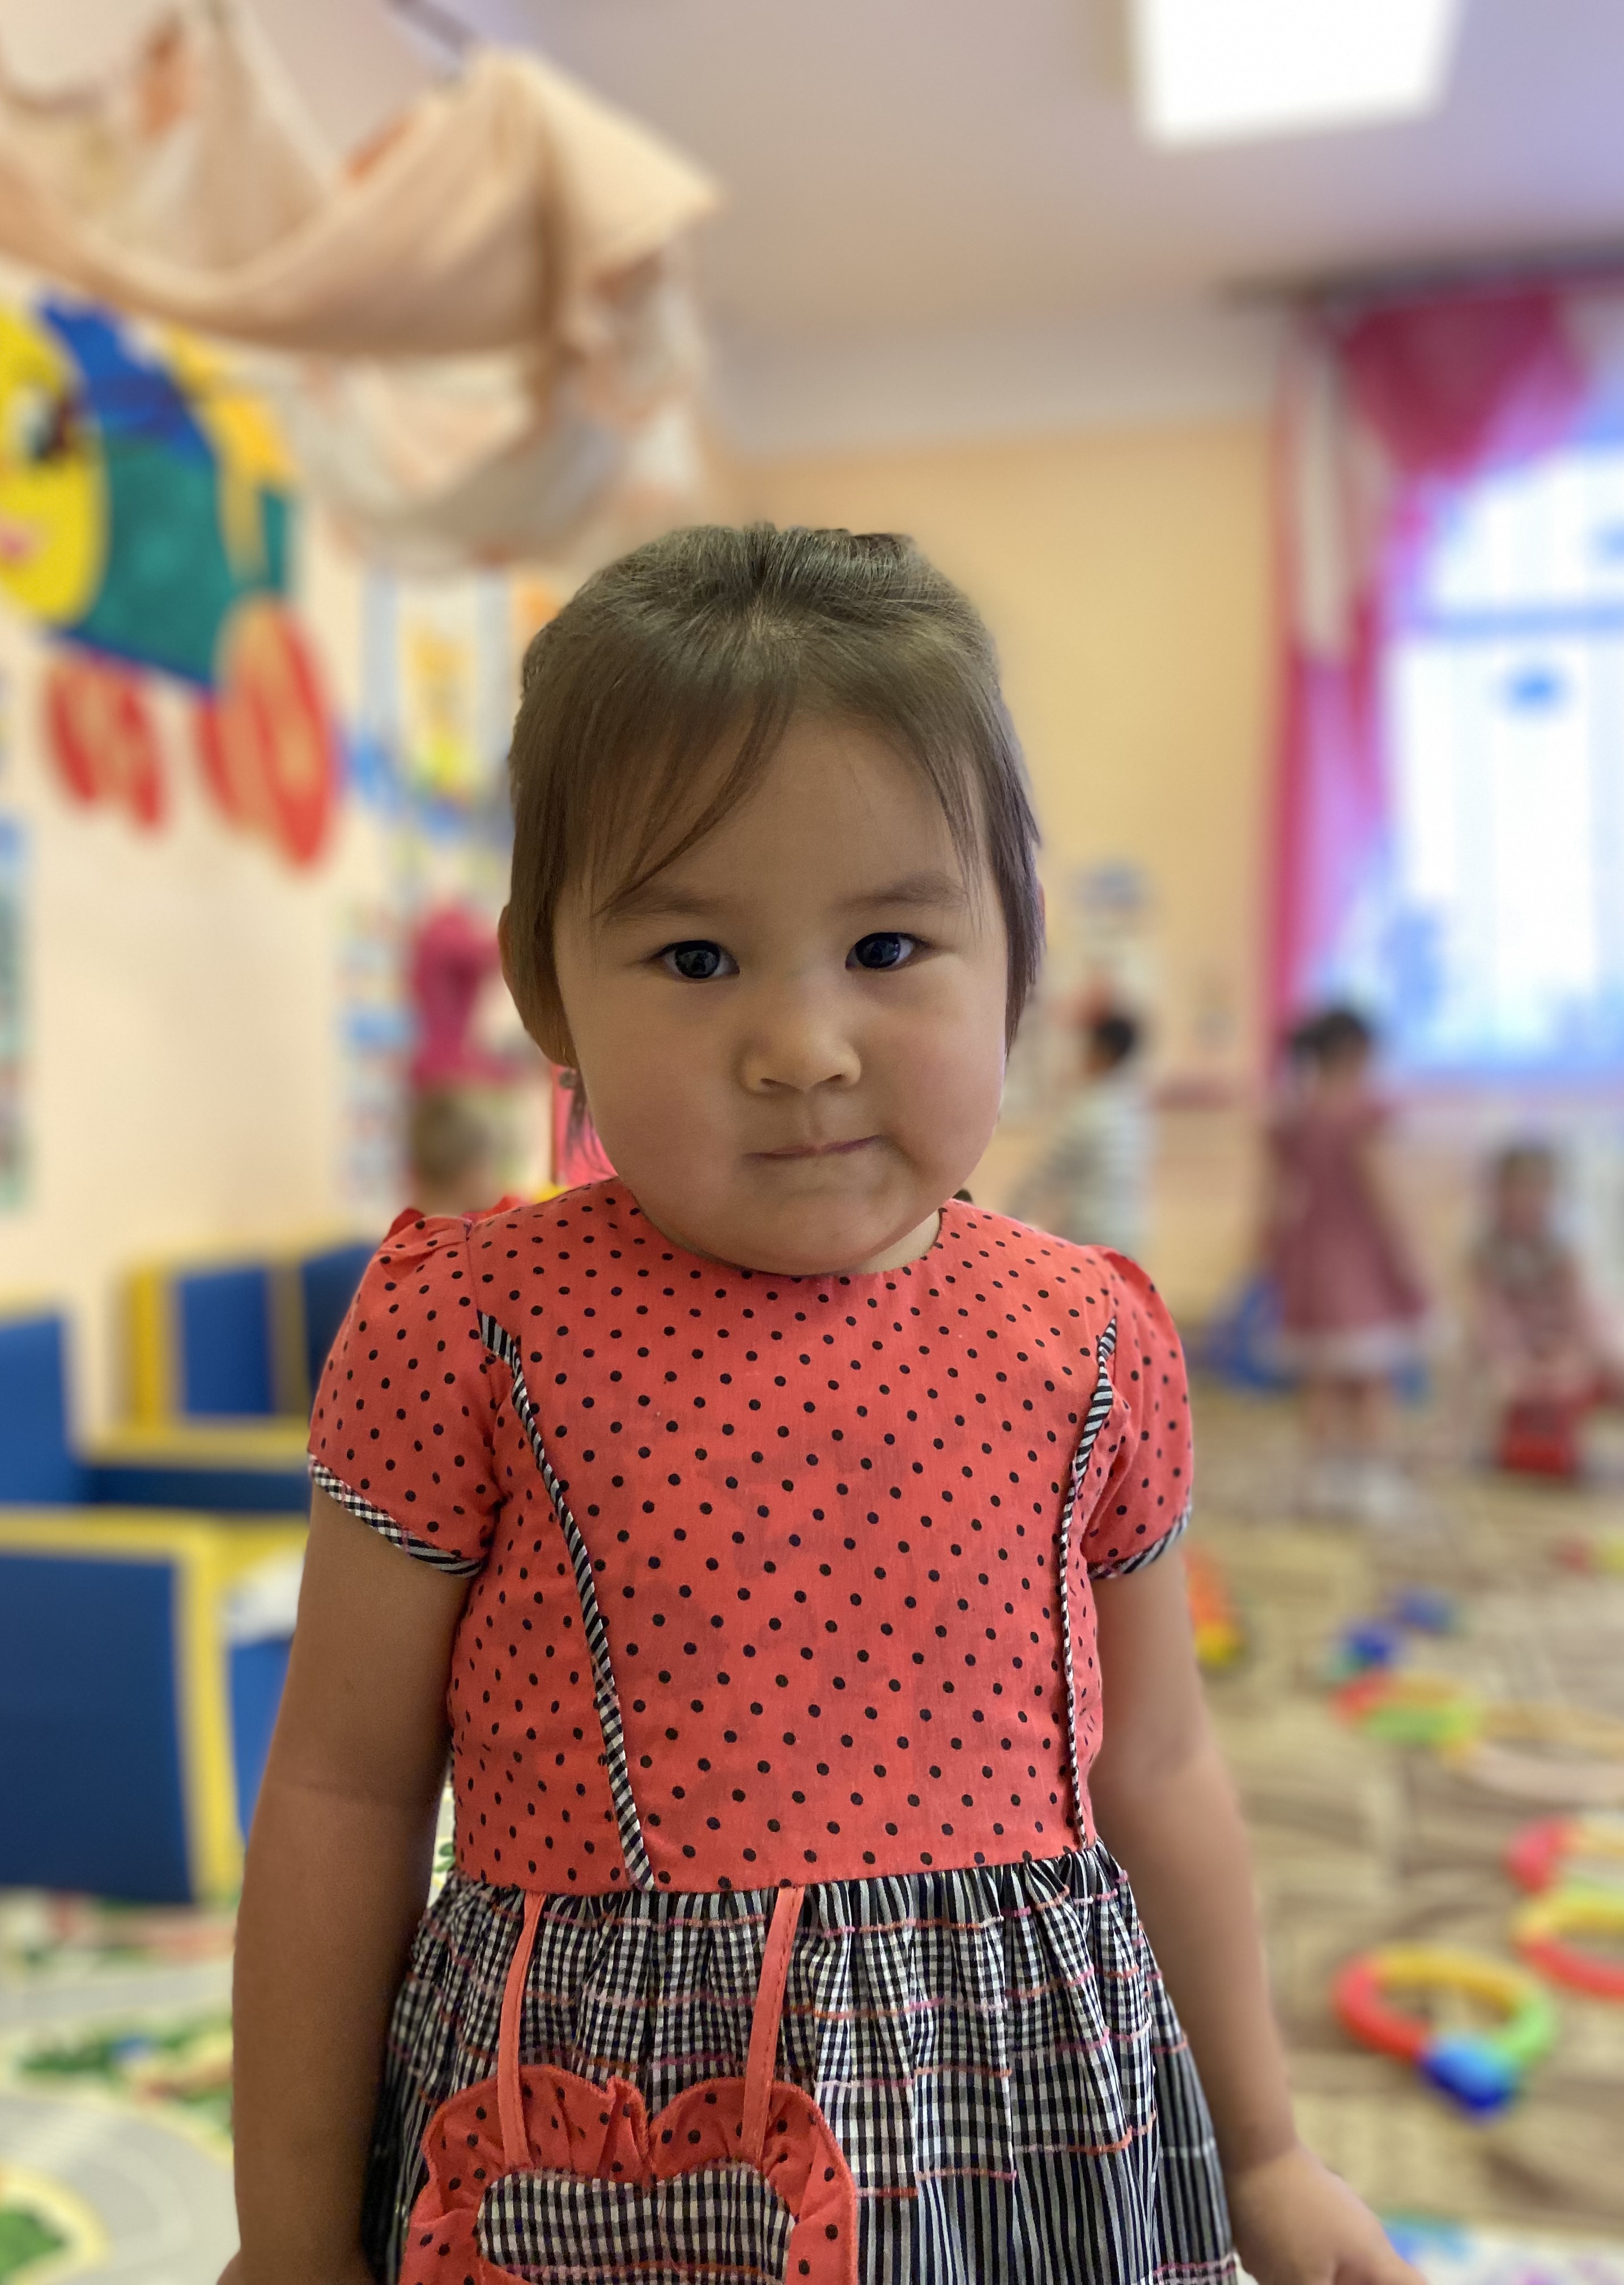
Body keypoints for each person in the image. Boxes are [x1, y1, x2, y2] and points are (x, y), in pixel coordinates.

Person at [228, 527, 1417, 2285]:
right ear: (548, 988)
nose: (802, 1045)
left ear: (1016, 962)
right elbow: (341, 1791)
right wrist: (286, 2237)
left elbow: (1160, 1761)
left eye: (887, 944)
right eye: (695, 959)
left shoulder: (1092, 1342)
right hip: (603, 2146)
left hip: (1019, 2131)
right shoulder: (468, 1332)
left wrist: (1264, 2150)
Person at [1264, 1006, 1428, 1519]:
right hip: (1358, 1260)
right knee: (1372, 1378)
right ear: (1356, 1053)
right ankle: (1373, 1484)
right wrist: (1412, 1257)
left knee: (1323, 1376)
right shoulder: (1360, 1114)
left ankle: (1322, 1483)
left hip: (1310, 1256)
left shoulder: (1299, 1114)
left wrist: (1274, 1255)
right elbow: (1383, 1192)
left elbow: (1278, 1197)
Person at [1469, 1141, 1624, 1476]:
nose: (1527, 1203)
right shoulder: (1486, 1251)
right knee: (1492, 1379)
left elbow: (1583, 1317)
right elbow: (1491, 1320)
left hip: (1572, 1341)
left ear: (1552, 1197)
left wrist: (1572, 1360)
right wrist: (1516, 1366)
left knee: (1614, 1363)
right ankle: (1507, 1447)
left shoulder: (1564, 1249)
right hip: (1518, 1347)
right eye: (1517, 1191)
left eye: (1537, 1193)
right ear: (1497, 1194)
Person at [1018, 1004, 1150, 1256]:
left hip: (1093, 1238)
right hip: (1130, 1235)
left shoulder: (1087, 1112)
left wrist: (1006, 1218)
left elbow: (1044, 1176)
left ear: (1102, 1053)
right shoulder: (1133, 1108)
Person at [405, 1086, 513, 1220]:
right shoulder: (471, 1228)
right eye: (490, 1165)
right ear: (471, 1172)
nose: (498, 1181)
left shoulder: (408, 1225)